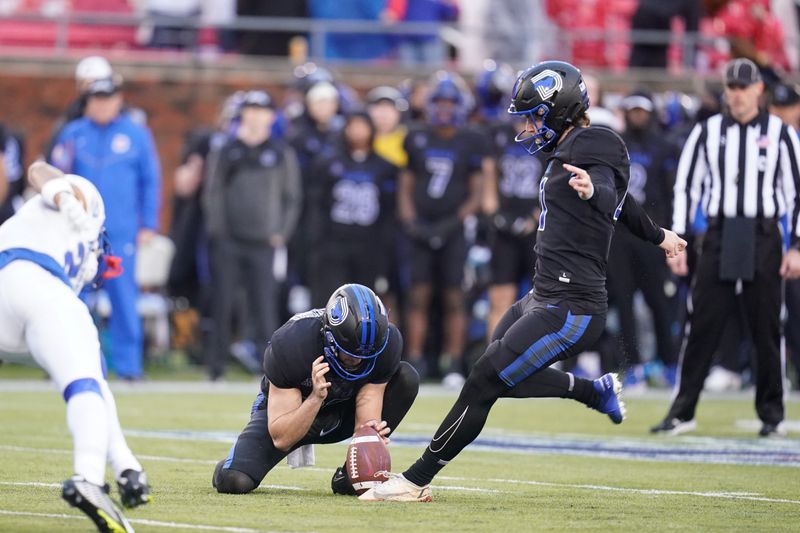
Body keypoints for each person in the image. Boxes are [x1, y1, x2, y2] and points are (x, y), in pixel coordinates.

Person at [358, 60, 687, 502]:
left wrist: (595, 191)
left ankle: (415, 479)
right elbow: (626, 206)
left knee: (482, 382)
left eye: (534, 115)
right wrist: (660, 235)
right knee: (499, 373)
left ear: (560, 109)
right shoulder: (570, 148)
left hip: (571, 306)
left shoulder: (596, 141)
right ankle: (593, 390)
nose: (529, 125)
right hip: (544, 295)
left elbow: (611, 193)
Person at [651, 58, 800, 437]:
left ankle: (772, 416)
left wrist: (796, 244)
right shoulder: (707, 131)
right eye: (730, 87)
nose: (736, 94)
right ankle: (682, 411)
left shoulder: (781, 134)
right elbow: (687, 186)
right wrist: (679, 240)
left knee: (767, 325)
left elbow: (795, 193)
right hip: (717, 234)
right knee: (701, 322)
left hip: (764, 234)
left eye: (742, 87)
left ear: (758, 90)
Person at [0, 162, 150, 533]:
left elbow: (96, 388)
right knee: (86, 382)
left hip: (13, 294)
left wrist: (127, 466)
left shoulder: (72, 265)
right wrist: (67, 197)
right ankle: (88, 476)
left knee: (88, 381)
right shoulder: (81, 205)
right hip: (34, 278)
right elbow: (38, 169)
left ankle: (123, 466)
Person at [212, 283, 419, 495]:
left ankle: (348, 476)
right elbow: (282, 439)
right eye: (349, 352)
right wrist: (314, 399)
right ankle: (229, 464)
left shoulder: (388, 343)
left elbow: (367, 407)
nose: (357, 360)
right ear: (329, 334)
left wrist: (369, 437)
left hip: (343, 410)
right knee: (234, 481)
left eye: (366, 355)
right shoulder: (293, 342)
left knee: (407, 378)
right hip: (295, 412)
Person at [51, 76, 162, 381]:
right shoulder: (73, 133)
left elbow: (150, 181)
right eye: (96, 99)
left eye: (107, 98)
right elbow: (56, 179)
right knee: (74, 298)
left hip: (121, 232)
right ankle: (70, 363)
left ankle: (129, 367)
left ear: (118, 100)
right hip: (78, 231)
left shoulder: (136, 134)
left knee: (124, 299)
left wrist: (149, 223)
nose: (101, 104)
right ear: (87, 102)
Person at [202, 89, 302, 381]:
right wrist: (218, 230)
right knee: (222, 302)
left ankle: (269, 369)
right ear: (243, 114)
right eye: (251, 110)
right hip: (229, 240)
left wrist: (280, 232)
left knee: (265, 306)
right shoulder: (227, 149)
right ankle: (215, 367)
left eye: (262, 110)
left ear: (272, 117)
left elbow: (292, 197)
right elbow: (213, 192)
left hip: (264, 241)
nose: (257, 117)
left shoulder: (281, 152)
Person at [400, 71, 488, 387]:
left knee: (454, 296)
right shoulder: (417, 136)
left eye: (452, 103)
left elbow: (477, 190)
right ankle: (415, 359)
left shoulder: (472, 139)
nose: (446, 109)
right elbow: (406, 184)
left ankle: (452, 362)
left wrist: (452, 223)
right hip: (421, 227)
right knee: (418, 295)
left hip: (454, 228)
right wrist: (412, 223)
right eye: (441, 102)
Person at [607, 91, 681, 390]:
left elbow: (671, 191)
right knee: (622, 302)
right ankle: (631, 365)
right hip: (620, 235)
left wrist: (669, 232)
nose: (637, 115)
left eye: (642, 110)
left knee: (658, 302)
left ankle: (669, 362)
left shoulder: (663, 147)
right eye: (632, 110)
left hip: (652, 234)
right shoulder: (614, 146)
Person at [307, 110, 398, 306]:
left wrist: (383, 245)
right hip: (334, 242)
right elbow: (317, 204)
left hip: (368, 244)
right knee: (329, 300)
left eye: (362, 126)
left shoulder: (384, 167)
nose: (357, 132)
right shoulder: (328, 163)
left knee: (363, 302)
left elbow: (389, 211)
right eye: (353, 126)